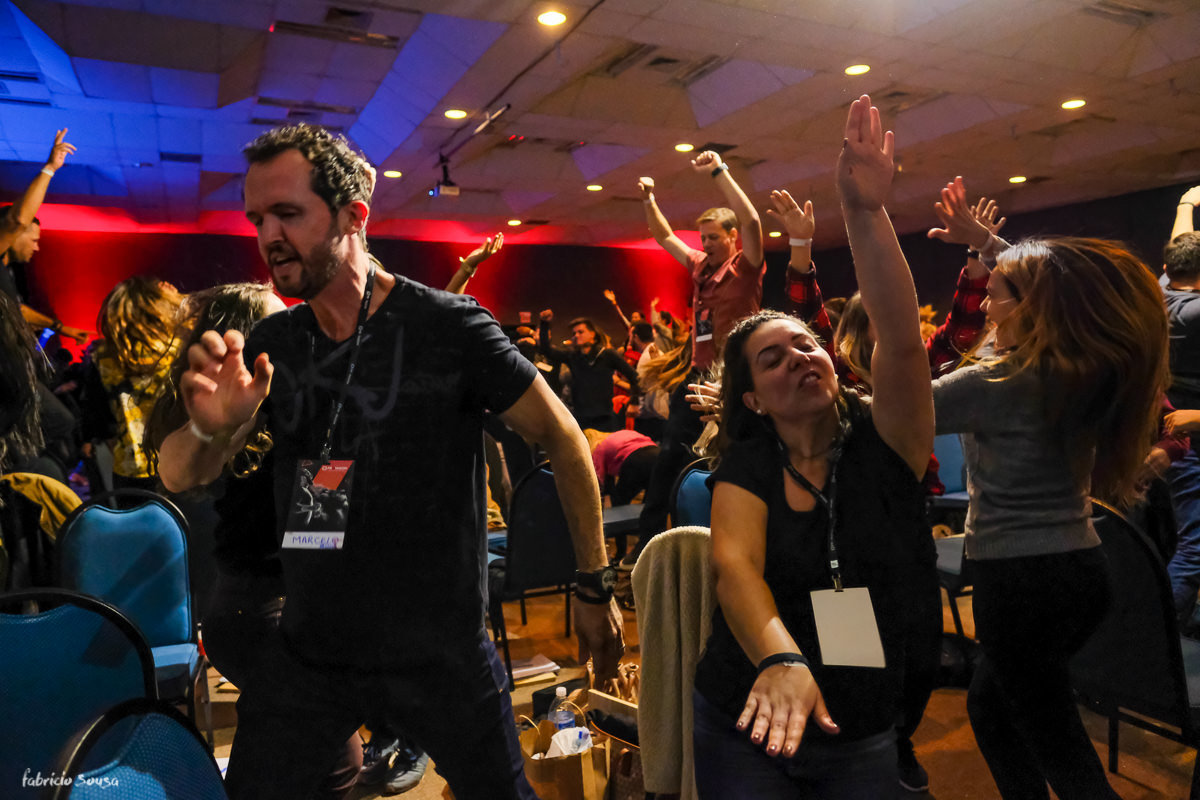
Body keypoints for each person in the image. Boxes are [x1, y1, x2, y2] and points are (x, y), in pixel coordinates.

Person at [157, 122, 623, 800]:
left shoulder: (448, 327)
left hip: (442, 653)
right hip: (313, 650)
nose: (268, 237)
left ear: (353, 216)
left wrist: (592, 583)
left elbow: (563, 436)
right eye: (258, 217)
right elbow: (179, 475)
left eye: (289, 213)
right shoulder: (273, 341)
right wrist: (208, 430)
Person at [691, 95, 937, 798]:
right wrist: (782, 659)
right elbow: (734, 569)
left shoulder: (886, 439)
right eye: (772, 360)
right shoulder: (751, 461)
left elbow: (899, 339)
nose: (799, 357)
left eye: (806, 344)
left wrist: (864, 213)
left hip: (854, 721)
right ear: (752, 400)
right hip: (745, 702)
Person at [932, 231, 1167, 798]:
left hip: (1017, 579)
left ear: (1029, 306)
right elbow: (1059, 284)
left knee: (1060, 748)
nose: (985, 307)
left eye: (995, 296)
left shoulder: (997, 381)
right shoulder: (1075, 367)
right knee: (993, 711)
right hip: (1080, 570)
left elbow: (888, 415)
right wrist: (995, 249)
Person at [634, 149, 765, 559]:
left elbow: (754, 221)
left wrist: (719, 172)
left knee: (728, 460)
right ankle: (647, 548)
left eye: (714, 237)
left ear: (732, 238)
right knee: (669, 457)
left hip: (735, 381)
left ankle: (727, 544)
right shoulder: (701, 268)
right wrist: (648, 199)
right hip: (697, 377)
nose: (706, 244)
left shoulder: (745, 268)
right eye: (703, 238)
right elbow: (663, 236)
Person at [84, 276, 185, 490]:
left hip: (128, 469)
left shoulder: (103, 357)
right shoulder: (178, 350)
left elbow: (100, 420)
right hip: (178, 464)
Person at [0, 129, 90, 344]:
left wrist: (61, 328)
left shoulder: (7, 274)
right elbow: (18, 220)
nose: (37, 248)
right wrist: (49, 169)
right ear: (15, 236)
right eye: (33, 240)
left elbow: (16, 310)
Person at [538, 310, 640, 432]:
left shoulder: (607, 355)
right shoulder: (573, 356)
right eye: (574, 333)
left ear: (593, 334)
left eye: (581, 332)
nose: (576, 335)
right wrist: (544, 324)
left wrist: (634, 402)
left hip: (605, 418)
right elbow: (547, 350)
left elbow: (634, 376)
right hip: (581, 418)